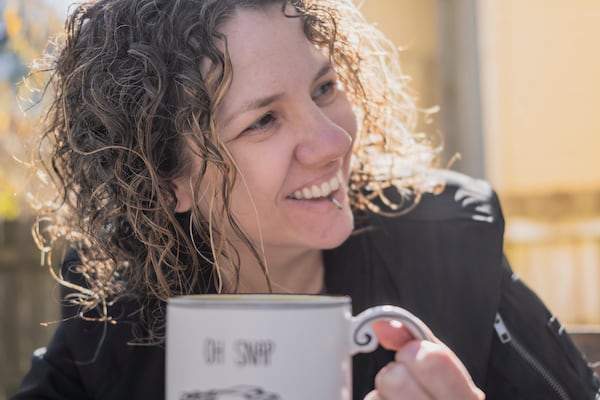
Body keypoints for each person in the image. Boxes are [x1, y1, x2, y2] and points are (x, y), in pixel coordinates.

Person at [10, 0, 600, 399]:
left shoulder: (446, 241)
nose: (333, 140)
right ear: (166, 181)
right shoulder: (119, 307)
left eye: (324, 87)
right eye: (264, 120)